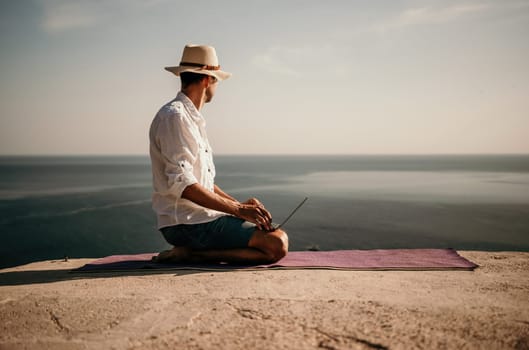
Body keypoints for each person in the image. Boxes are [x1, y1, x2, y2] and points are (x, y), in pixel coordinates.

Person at [149, 44, 288, 264]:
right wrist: (239, 209)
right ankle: (191, 254)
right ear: (207, 79)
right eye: (217, 81)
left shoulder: (190, 119)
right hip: (186, 223)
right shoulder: (175, 117)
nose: (217, 87)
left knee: (275, 239)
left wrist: (240, 206)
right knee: (277, 243)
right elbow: (183, 185)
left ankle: (190, 253)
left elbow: (201, 183)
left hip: (198, 219)